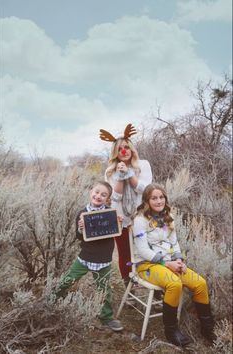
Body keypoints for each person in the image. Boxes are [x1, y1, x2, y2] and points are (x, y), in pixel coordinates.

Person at [132, 184, 215, 346]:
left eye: (161, 197)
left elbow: (174, 242)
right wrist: (166, 263)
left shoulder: (167, 217)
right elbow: (142, 249)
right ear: (147, 201)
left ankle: (207, 328)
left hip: (170, 263)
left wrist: (179, 261)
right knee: (174, 284)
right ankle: (171, 331)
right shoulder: (140, 220)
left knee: (200, 283)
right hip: (147, 266)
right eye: (154, 198)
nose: (159, 201)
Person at [52, 180, 124, 332]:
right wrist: (80, 228)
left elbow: (115, 232)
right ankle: (51, 300)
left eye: (103, 195)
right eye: (97, 192)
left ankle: (106, 317)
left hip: (103, 259)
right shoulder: (82, 213)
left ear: (108, 199)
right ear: (91, 192)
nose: (99, 196)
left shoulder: (110, 213)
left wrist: (118, 223)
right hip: (85, 257)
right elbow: (79, 237)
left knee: (104, 289)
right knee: (67, 280)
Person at [99, 124, 152, 287]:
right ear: (115, 152)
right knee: (125, 254)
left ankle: (155, 288)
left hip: (141, 217)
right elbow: (115, 197)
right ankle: (130, 287)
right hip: (120, 218)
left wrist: (129, 173)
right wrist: (120, 175)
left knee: (147, 251)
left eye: (127, 147)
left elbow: (145, 191)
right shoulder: (110, 171)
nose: (124, 151)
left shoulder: (143, 165)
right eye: (120, 148)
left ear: (132, 149)